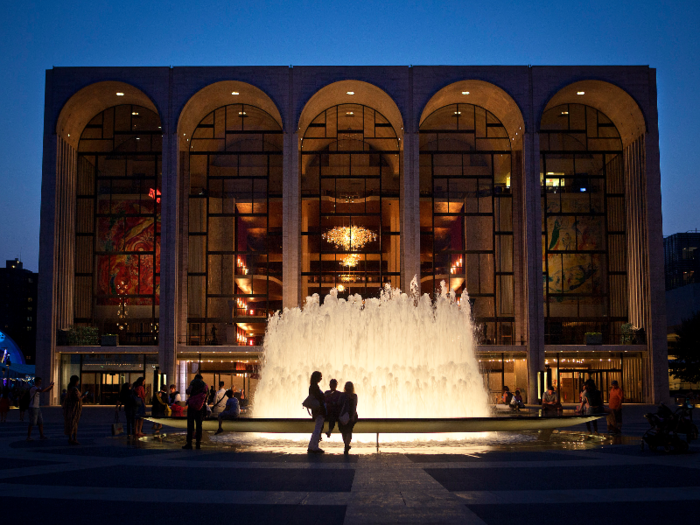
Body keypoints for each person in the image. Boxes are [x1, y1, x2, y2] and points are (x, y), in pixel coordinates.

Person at [183, 374, 208, 450]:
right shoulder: (204, 384)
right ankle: (198, 443)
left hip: (192, 406)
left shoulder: (193, 382)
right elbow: (206, 395)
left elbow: (188, 391)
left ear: (196, 377)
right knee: (199, 425)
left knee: (190, 425)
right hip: (200, 407)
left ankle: (189, 443)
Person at [307, 371, 327, 454]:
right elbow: (318, 398)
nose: (321, 378)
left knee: (317, 429)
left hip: (316, 411)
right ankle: (314, 447)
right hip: (319, 411)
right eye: (320, 377)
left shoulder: (312, 386)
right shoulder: (314, 387)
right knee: (317, 429)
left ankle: (311, 446)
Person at [338, 381, 358, 455]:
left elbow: (339, 404)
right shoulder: (353, 396)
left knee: (346, 430)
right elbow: (355, 406)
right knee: (347, 430)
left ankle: (346, 445)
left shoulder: (343, 395)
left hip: (345, 415)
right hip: (349, 415)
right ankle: (346, 444)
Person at [62, 375, 84, 445]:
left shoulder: (70, 389)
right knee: (74, 423)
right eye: (77, 381)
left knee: (71, 423)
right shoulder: (74, 389)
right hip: (74, 409)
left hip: (70, 409)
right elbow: (77, 398)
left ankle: (71, 438)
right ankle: (73, 439)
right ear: (75, 381)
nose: (78, 382)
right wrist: (83, 396)